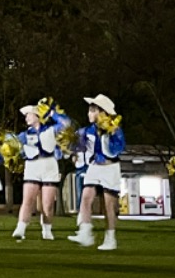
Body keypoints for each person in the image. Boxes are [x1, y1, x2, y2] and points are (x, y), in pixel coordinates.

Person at [68, 95, 126, 251]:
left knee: (109, 206)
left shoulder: (115, 129)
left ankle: (110, 238)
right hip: (94, 166)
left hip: (110, 167)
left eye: (92, 110)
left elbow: (116, 150)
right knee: (86, 198)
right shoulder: (87, 130)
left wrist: (108, 134)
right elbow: (78, 148)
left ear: (102, 112)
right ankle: (85, 233)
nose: (88, 114)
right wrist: (73, 150)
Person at [11, 100, 64, 241]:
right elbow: (12, 144)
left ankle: (47, 230)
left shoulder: (51, 129)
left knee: (47, 204)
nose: (26, 117)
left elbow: (66, 124)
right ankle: (20, 228)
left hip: (49, 166)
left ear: (38, 115)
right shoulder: (24, 134)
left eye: (29, 114)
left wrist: (52, 113)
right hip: (32, 167)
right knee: (28, 200)